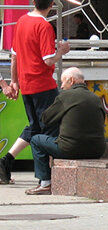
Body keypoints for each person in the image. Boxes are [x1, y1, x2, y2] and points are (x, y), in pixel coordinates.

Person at [0, 0, 70, 186]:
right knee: (49, 129)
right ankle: (45, 177)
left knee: (36, 127)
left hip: (26, 85)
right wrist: (61, 51)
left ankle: (6, 161)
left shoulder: (22, 21)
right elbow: (48, 60)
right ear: (52, 4)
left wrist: (14, 81)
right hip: (43, 85)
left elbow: (14, 56)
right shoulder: (44, 26)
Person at [26, 67, 105, 195]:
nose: (61, 87)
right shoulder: (96, 98)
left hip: (70, 149)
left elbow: (46, 118)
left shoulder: (66, 96)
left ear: (71, 81)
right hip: (97, 150)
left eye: (63, 82)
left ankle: (45, 183)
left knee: (36, 140)